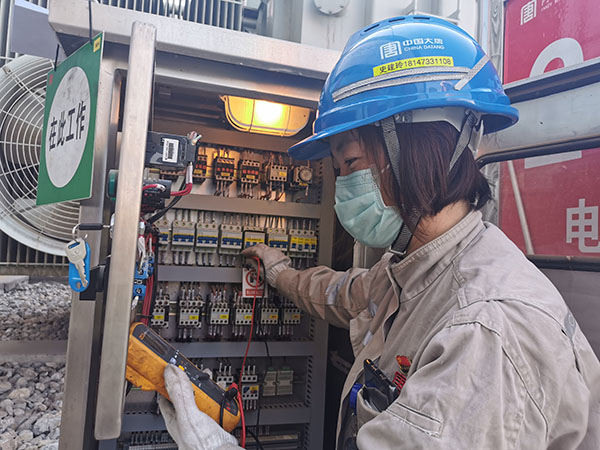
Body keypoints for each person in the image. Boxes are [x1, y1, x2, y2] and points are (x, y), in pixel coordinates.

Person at [159, 15, 600, 450]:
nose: (343, 188)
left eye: (350, 162)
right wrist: (277, 271)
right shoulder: (412, 271)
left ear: (415, 149)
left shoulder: (486, 332)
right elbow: (341, 294)